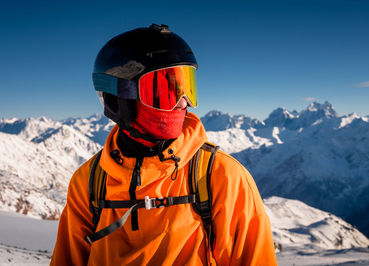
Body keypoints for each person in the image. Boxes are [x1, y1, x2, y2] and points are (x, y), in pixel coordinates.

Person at [50, 24, 277, 266]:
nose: (183, 103)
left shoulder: (222, 177)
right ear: (118, 99)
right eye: (163, 91)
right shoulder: (88, 182)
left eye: (186, 88)